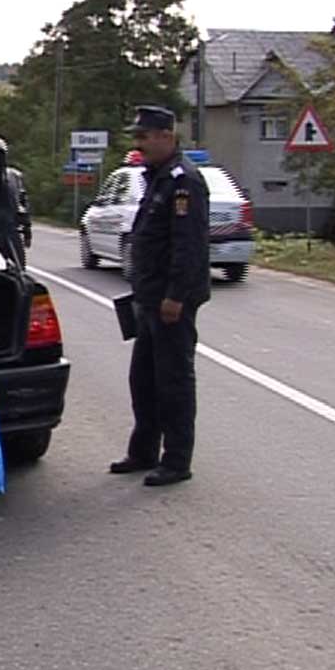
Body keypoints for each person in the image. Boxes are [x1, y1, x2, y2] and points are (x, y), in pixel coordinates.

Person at [109, 106, 210, 487]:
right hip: (150, 296)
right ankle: (143, 450)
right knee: (144, 378)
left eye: (144, 137)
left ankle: (177, 459)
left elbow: (189, 245)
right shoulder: (158, 177)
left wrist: (175, 296)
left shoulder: (184, 181)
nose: (139, 144)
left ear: (166, 136)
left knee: (173, 380)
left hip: (172, 300)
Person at [0, 137, 32, 258]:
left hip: (3, 227)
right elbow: (23, 203)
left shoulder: (13, 175)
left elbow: (22, 202)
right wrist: (27, 229)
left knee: (18, 262)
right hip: (3, 228)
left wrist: (27, 228)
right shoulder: (13, 175)